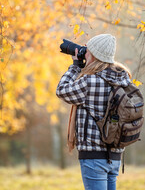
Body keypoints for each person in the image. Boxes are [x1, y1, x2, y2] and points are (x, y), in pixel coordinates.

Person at [56, 33, 132, 190]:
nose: (85, 52)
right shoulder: (123, 80)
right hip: (115, 156)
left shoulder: (90, 81)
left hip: (93, 156)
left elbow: (62, 90)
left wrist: (76, 66)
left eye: (88, 50)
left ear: (95, 55)